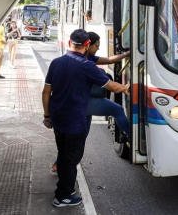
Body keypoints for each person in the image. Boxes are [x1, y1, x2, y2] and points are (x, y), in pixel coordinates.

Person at [42, 29, 129, 207]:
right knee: (71, 158)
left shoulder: (56, 62)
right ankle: (63, 196)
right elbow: (111, 87)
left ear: (69, 43)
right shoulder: (86, 66)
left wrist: (47, 115)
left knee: (64, 154)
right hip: (74, 120)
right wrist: (125, 87)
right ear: (87, 45)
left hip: (58, 117)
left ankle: (65, 188)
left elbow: (46, 92)